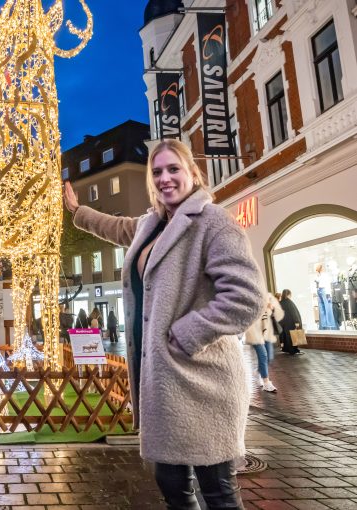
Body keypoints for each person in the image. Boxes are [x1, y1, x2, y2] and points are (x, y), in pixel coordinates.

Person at [63, 139, 264, 509]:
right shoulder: (151, 224)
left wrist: (188, 333)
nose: (165, 178)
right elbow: (116, 228)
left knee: (217, 491)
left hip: (203, 378)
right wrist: (78, 212)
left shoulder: (214, 223)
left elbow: (246, 298)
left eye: (174, 169)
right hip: (164, 383)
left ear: (192, 173)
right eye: (157, 172)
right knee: (173, 488)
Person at [245, 293, 284, 392]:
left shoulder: (266, 296)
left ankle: (260, 371)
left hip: (265, 331)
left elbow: (272, 314)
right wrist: (262, 306)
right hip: (254, 331)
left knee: (269, 357)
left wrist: (270, 308)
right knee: (263, 355)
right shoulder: (249, 296)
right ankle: (266, 382)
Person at [279, 289, 304, 355]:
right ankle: (294, 350)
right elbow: (294, 312)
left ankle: (286, 349)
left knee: (286, 337)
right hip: (290, 322)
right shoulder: (289, 302)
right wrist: (297, 322)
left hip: (283, 323)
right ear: (288, 294)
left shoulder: (280, 303)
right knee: (293, 336)